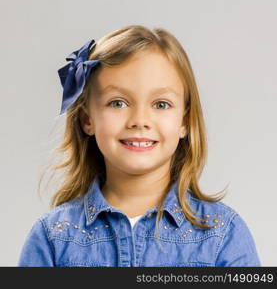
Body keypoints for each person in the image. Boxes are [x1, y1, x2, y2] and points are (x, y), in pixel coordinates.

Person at [18, 25, 261, 267]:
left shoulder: (223, 234)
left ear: (185, 121)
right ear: (87, 119)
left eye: (161, 104)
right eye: (118, 103)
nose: (140, 121)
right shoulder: (52, 239)